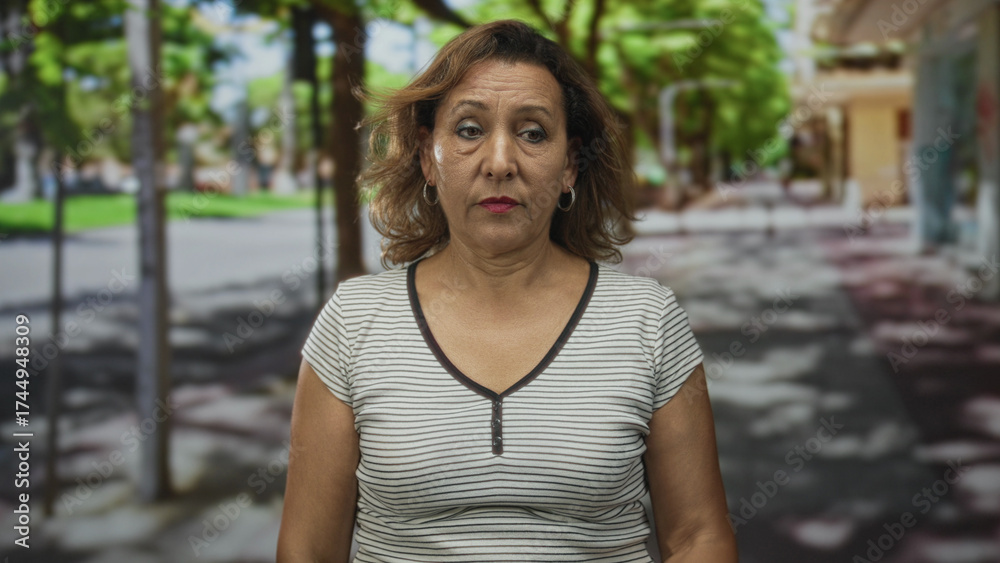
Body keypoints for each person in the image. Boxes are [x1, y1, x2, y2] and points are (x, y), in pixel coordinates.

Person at [276, 19, 736, 562]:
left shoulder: (647, 319)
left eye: (533, 133)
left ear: (570, 165)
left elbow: (698, 537)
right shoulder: (353, 322)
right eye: (469, 130)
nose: (500, 163)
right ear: (427, 156)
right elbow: (307, 550)